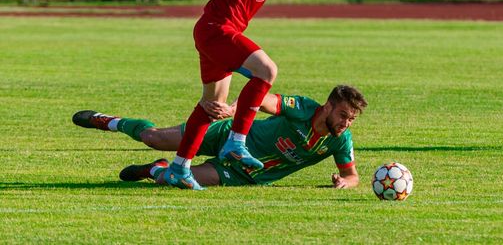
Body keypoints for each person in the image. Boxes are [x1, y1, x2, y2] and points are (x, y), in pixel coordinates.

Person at [158, 0, 363, 190]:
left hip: (217, 32)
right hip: (217, 30)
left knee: (212, 106)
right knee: (267, 70)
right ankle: (237, 142)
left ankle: (179, 167)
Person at [72, 85, 368, 188]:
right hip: (229, 135)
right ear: (327, 107)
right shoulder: (302, 108)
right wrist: (236, 109)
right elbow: (261, 98)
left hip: (243, 173)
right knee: (153, 138)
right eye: (343, 115)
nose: (346, 123)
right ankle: (110, 122)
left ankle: (155, 170)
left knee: (173, 181)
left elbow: (352, 175)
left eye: (351, 119)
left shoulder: (340, 140)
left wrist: (345, 182)